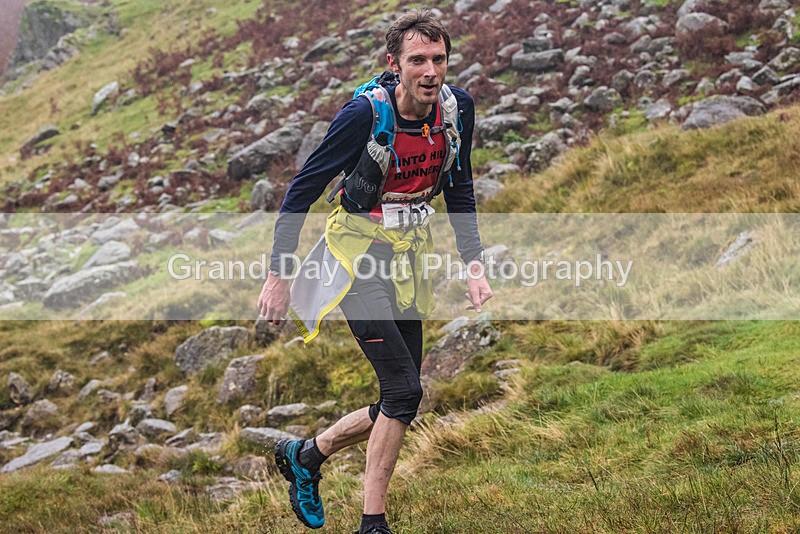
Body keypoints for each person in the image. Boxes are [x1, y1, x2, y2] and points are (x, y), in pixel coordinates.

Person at [257, 9, 492, 534]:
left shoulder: (458, 111)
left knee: (400, 396)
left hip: (408, 258)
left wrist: (473, 264)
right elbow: (302, 190)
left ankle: (307, 455)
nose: (430, 71)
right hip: (358, 259)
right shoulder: (364, 115)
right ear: (395, 63)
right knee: (406, 392)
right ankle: (373, 523)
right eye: (418, 61)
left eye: (439, 59)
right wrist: (278, 274)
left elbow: (460, 187)